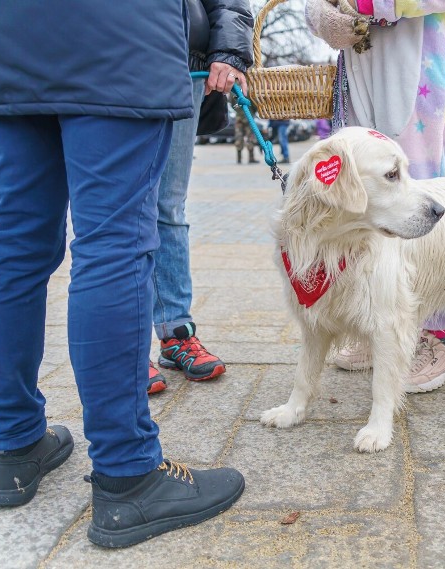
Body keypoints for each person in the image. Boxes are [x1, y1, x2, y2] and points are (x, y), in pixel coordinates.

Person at [0, 0, 245, 548]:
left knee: (9, 242)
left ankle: (14, 447)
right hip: (114, 32)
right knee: (113, 242)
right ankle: (128, 474)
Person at [307, 0, 445, 393]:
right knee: (370, 213)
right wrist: (321, 15)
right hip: (364, 75)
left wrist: (364, 3)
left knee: (424, 214)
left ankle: (438, 337)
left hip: (423, 86)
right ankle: (380, 331)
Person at [147, 0, 254, 395]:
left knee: (169, 207)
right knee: (119, 212)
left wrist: (228, 52)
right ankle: (124, 348)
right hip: (109, 57)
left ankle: (176, 332)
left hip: (184, 63)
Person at [233, 96, 259, 164]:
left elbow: (232, 103)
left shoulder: (234, 90)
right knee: (250, 137)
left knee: (239, 137)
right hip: (248, 116)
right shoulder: (250, 90)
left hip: (239, 117)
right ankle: (251, 158)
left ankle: (239, 158)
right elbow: (255, 104)